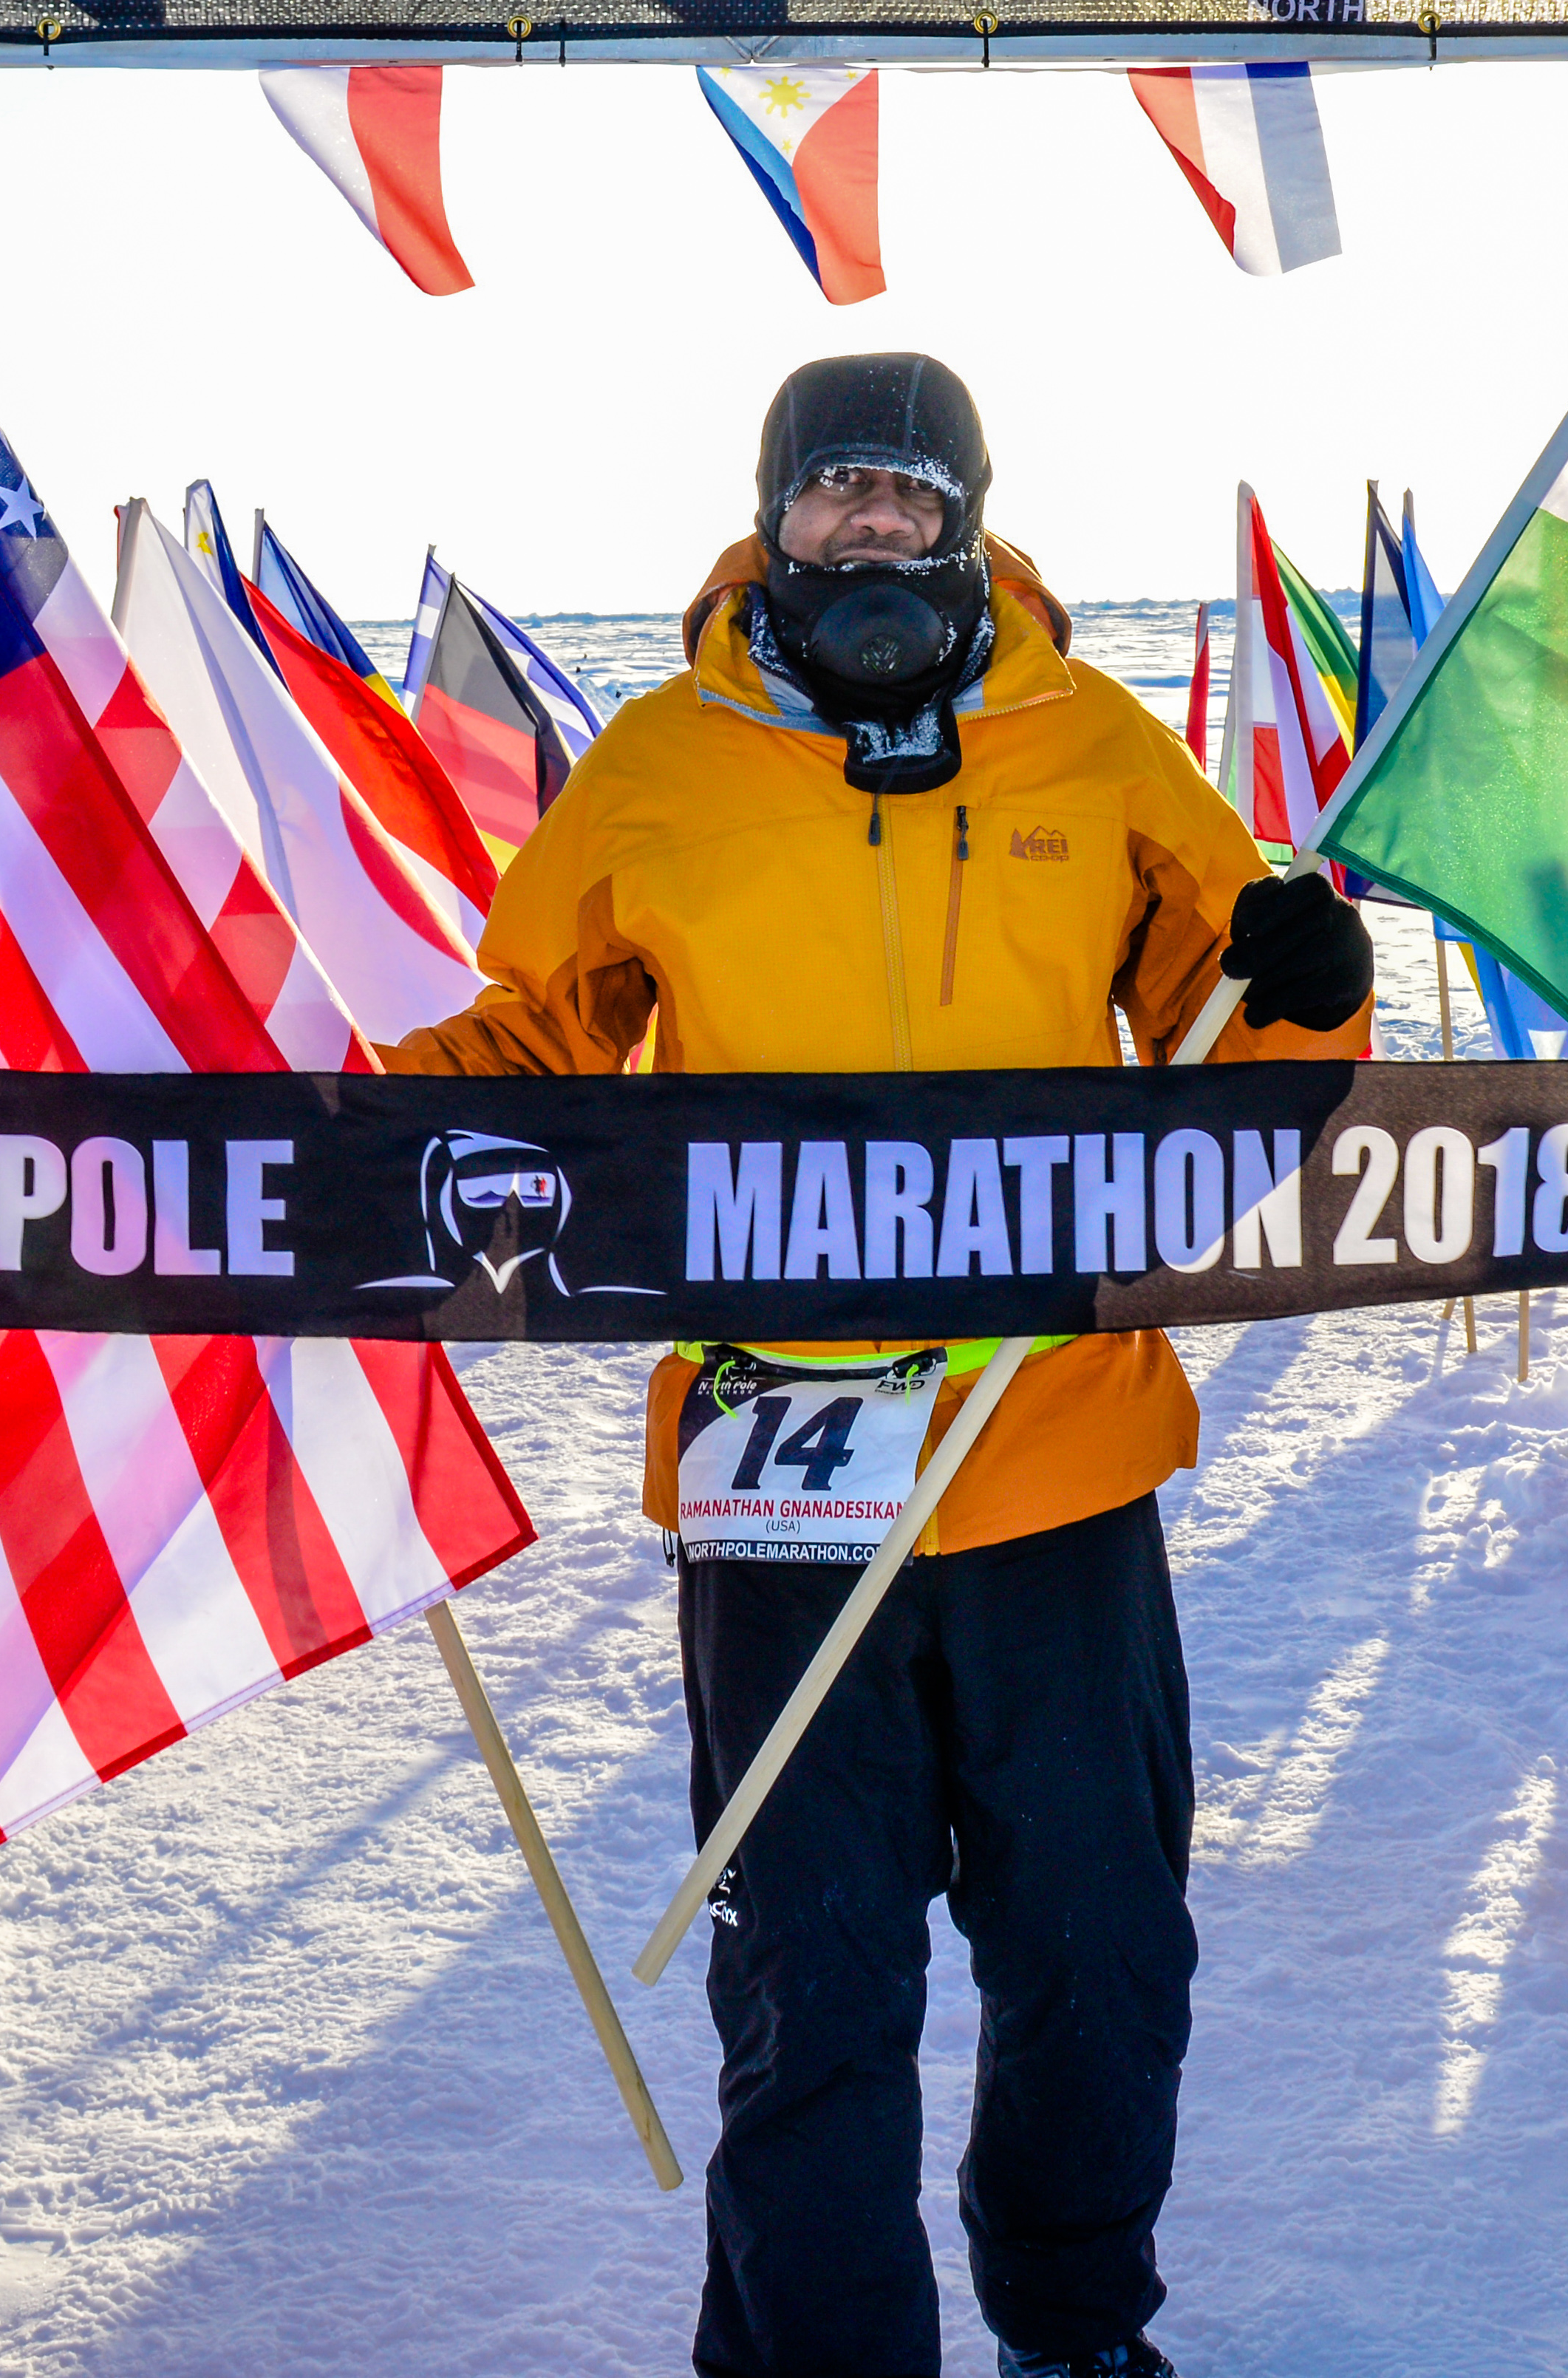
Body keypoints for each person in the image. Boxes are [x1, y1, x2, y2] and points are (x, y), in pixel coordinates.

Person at [386, 355, 1375, 2378]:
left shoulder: (1092, 742)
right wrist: (316, 1149)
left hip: (1054, 1453)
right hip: (779, 1468)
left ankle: (1077, 2324)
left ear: (967, 516)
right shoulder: (658, 762)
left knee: (1099, 1955)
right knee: (812, 1982)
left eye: (903, 497)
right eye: (830, 493)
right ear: (769, 519)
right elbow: (533, 1047)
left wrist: (1302, 985)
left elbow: (1223, 1042)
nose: (867, 529)